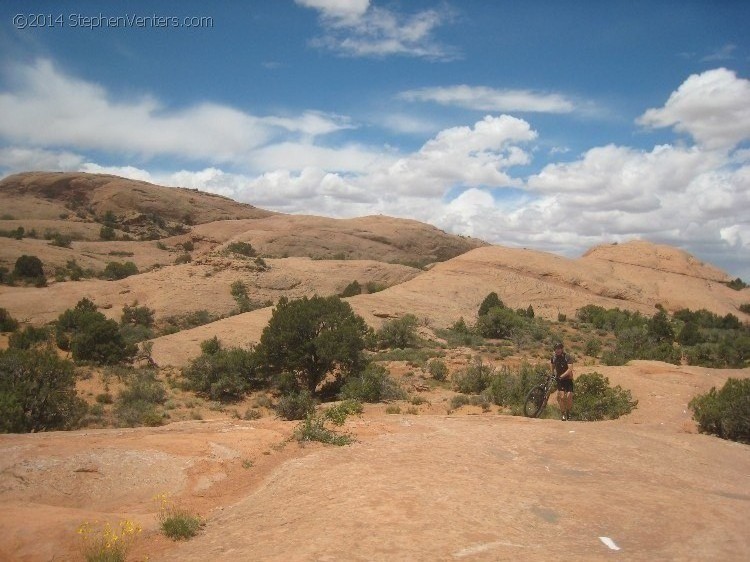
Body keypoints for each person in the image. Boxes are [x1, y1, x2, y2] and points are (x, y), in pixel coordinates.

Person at [551, 342, 574, 420]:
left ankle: (569, 412)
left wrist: (561, 376)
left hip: (568, 379)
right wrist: (553, 374)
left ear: (562, 349)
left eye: (559, 349)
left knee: (569, 397)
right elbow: (552, 367)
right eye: (556, 349)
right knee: (561, 396)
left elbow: (570, 369)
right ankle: (563, 414)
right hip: (560, 380)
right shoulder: (554, 357)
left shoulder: (567, 357)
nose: (557, 350)